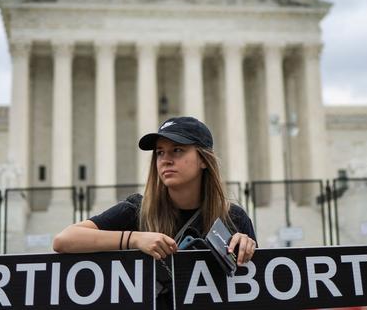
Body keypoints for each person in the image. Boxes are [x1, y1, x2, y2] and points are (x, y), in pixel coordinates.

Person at [53, 116, 256, 305]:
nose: (165, 160)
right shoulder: (137, 210)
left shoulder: (234, 218)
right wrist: (135, 239)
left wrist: (247, 248)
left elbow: (254, 290)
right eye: (160, 152)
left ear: (203, 159)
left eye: (177, 150)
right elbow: (64, 240)